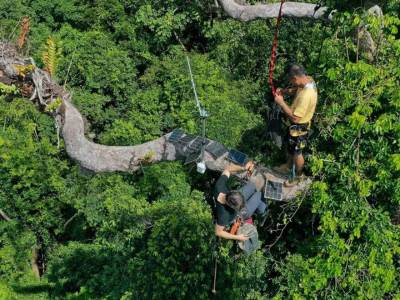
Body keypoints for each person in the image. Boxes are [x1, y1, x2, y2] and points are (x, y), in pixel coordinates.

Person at [273, 64, 318, 186]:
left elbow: (296, 118)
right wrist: (284, 91)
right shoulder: (308, 80)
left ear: (295, 78)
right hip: (293, 128)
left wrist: (282, 103)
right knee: (290, 147)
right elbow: (296, 89)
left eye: (291, 81)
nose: (291, 83)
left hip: (300, 129)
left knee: (297, 152)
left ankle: (299, 176)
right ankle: (288, 166)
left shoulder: (306, 95)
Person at [214, 161, 267, 241]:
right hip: (240, 214)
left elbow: (227, 169)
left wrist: (244, 168)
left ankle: (260, 207)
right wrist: (238, 237)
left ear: (231, 192)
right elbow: (218, 232)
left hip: (236, 199)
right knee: (259, 195)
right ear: (232, 207)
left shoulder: (219, 187)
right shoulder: (224, 215)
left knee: (252, 186)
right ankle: (261, 213)